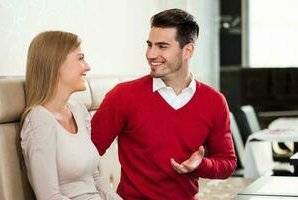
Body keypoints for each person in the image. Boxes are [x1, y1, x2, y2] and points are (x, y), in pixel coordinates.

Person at [91, 9, 237, 200]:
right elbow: (85, 159)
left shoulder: (214, 101)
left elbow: (227, 163)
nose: (151, 54)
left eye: (162, 46)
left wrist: (200, 166)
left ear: (188, 51)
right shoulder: (123, 96)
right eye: (149, 45)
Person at [21, 31, 122, 200]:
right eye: (80, 58)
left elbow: (94, 178)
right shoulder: (39, 120)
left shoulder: (78, 110)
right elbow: (49, 197)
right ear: (56, 64)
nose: (87, 67)